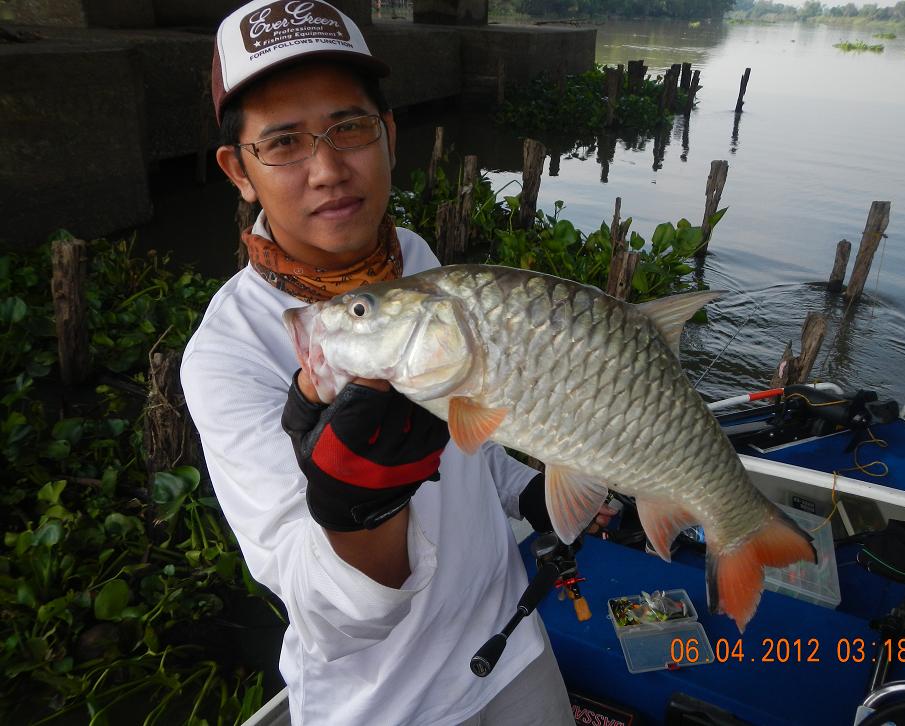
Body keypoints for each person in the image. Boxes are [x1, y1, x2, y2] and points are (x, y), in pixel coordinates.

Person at [181, 2, 609, 723]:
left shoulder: (414, 263)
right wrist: (357, 510)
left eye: (349, 127)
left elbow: (474, 435)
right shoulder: (227, 355)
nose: (327, 170)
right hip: (382, 704)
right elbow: (326, 611)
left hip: (511, 647)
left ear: (389, 133)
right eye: (284, 142)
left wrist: (528, 495)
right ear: (239, 170)